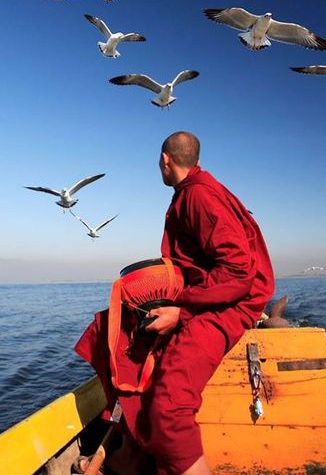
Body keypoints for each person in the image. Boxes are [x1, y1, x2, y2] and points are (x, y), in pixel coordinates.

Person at [74, 131, 274, 475]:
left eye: (159, 162)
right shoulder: (191, 192)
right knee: (108, 329)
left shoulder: (200, 197)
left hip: (231, 303)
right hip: (211, 296)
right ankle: (130, 453)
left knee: (169, 406)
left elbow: (239, 271)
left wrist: (183, 309)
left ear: (165, 160)